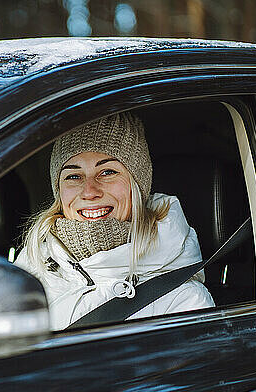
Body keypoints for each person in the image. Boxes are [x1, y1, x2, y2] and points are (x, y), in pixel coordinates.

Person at [15, 112, 214, 330]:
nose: (89, 191)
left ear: (137, 186)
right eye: (73, 176)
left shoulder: (183, 300)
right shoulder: (25, 275)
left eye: (107, 172)